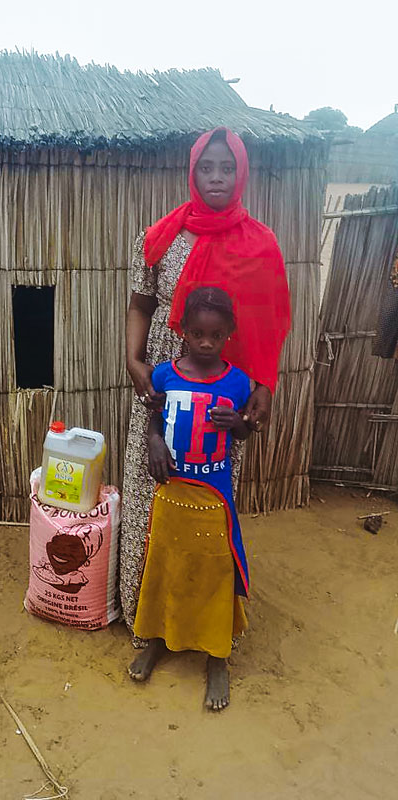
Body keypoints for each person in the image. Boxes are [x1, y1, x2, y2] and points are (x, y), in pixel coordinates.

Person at [120, 127, 291, 671]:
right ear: (192, 172)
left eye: (227, 167)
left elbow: (268, 323)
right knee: (152, 495)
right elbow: (141, 305)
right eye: (206, 168)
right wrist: (134, 361)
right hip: (160, 388)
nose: (216, 177)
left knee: (206, 512)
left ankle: (202, 621)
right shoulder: (160, 237)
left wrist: (263, 385)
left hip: (220, 398)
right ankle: (147, 617)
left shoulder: (259, 244)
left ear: (241, 173)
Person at [131, 287, 251, 710]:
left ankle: (217, 657)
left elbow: (244, 432)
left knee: (216, 572)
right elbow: (154, 418)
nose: (205, 343)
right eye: (197, 334)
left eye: (215, 336)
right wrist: (154, 441)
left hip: (213, 496)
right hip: (171, 494)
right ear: (183, 330)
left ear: (229, 332)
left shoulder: (238, 382)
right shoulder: (164, 375)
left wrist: (237, 422)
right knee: (165, 564)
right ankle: (158, 640)